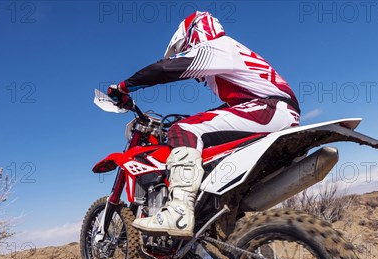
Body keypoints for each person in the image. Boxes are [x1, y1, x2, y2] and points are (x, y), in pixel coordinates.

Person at [107, 11, 300, 237]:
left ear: (192, 36)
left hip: (270, 110)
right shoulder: (231, 53)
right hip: (272, 111)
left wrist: (124, 86)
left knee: (183, 129)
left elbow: (165, 69)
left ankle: (178, 211)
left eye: (184, 50)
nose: (184, 54)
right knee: (195, 131)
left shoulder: (218, 47)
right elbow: (231, 109)